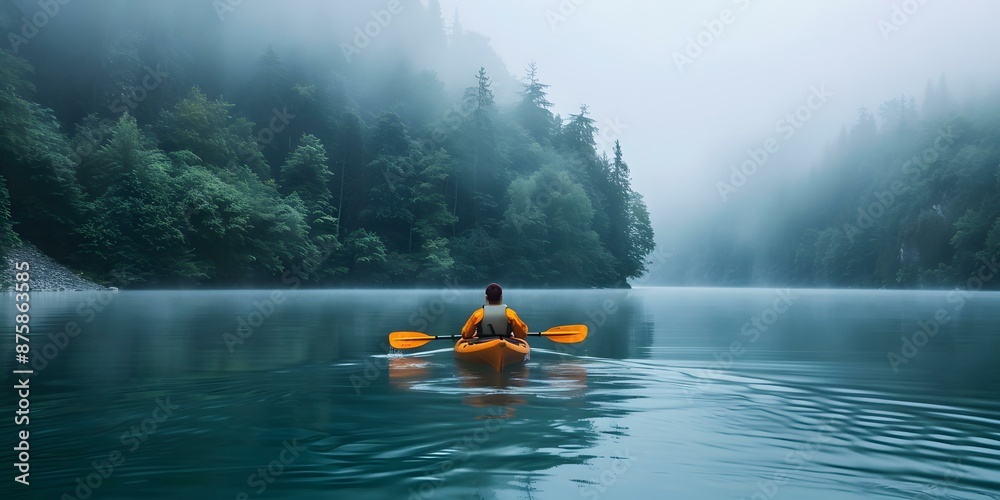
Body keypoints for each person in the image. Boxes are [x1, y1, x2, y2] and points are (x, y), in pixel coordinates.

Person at [461, 283, 528, 340]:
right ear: (501, 297)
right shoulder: (510, 313)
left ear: (486, 297)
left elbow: (465, 334)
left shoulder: (478, 314)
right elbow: (521, 335)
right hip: (505, 340)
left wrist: (475, 334)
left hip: (483, 342)